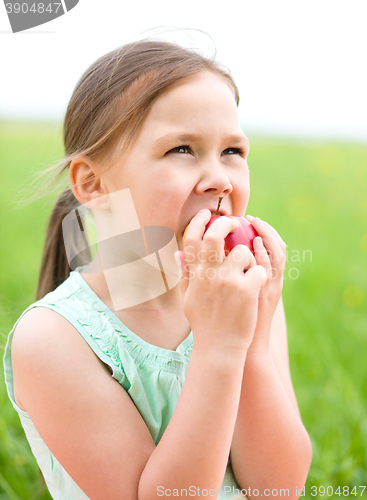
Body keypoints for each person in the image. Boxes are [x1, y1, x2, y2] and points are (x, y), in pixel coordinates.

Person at [3, 37, 312, 500]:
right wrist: (220, 347)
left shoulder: (243, 294)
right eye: (182, 150)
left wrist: (252, 346)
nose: (220, 179)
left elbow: (280, 487)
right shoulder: (51, 340)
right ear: (93, 183)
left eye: (233, 151)